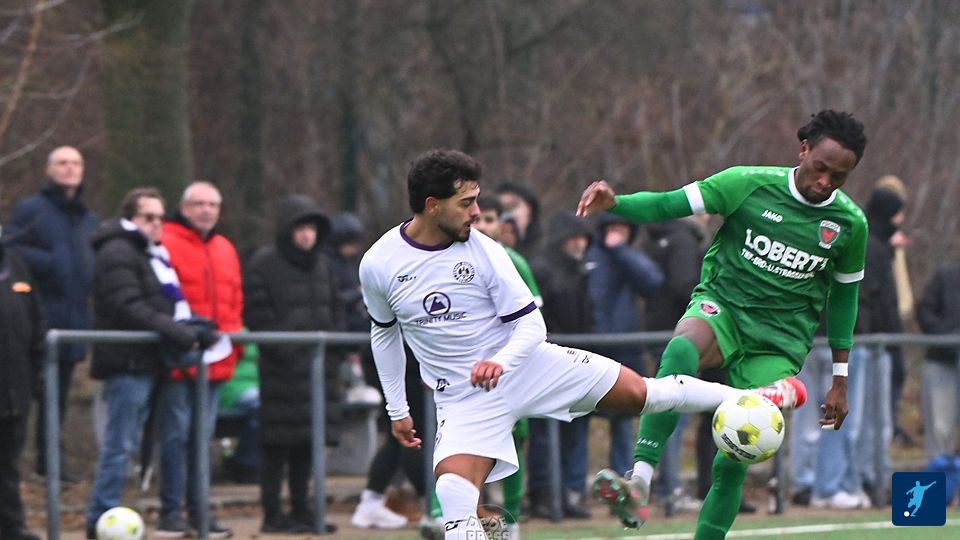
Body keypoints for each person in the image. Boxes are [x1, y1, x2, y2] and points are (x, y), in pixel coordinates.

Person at [358, 149, 804, 540]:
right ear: (432, 205)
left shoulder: (485, 251)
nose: (477, 213)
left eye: (477, 200)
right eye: (466, 203)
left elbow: (531, 327)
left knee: (643, 393)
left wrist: (500, 361)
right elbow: (384, 333)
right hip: (465, 397)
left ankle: (752, 398)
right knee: (454, 494)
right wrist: (398, 409)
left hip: (530, 366)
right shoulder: (379, 264)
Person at [576, 110, 866, 538]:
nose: (825, 182)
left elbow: (844, 300)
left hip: (777, 343)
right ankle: (640, 481)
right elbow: (668, 203)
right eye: (820, 168)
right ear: (803, 149)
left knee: (734, 456)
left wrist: (840, 378)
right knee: (680, 349)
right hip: (723, 309)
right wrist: (617, 204)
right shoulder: (746, 183)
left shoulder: (850, 224)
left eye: (838, 177)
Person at [83, 188, 218, 537]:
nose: (157, 224)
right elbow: (128, 305)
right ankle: (100, 517)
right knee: (120, 445)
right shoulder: (118, 252)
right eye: (148, 217)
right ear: (131, 219)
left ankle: (109, 515)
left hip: (149, 361)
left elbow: (158, 306)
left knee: (135, 444)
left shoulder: (150, 254)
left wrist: (194, 326)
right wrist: (178, 332)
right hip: (127, 362)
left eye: (160, 217)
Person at [243, 194, 343, 533]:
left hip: (319, 372)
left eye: (311, 228)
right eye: (300, 228)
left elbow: (336, 310)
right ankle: (272, 514)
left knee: (307, 446)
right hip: (282, 373)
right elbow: (258, 315)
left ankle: (303, 510)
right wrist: (289, 354)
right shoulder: (264, 264)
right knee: (276, 447)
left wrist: (331, 353)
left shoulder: (324, 266)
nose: (306, 234)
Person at [4, 145, 98, 482]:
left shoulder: (87, 218)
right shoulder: (32, 210)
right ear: (49, 169)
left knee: (58, 397)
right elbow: (11, 248)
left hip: (74, 318)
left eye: (76, 163)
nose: (69, 168)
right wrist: (52, 264)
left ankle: (52, 463)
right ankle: (18, 464)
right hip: (37, 318)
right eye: (62, 163)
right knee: (28, 393)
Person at [157, 181, 242, 538]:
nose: (206, 210)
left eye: (213, 204)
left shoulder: (225, 248)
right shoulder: (166, 241)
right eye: (199, 204)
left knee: (201, 440)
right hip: (181, 357)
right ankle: (170, 511)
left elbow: (235, 301)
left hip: (216, 361)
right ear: (184, 207)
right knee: (176, 437)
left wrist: (233, 347)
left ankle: (199, 512)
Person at [528, 211, 596, 519]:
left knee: (572, 432)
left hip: (578, 363)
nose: (579, 244)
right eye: (573, 238)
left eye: (583, 238)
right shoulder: (543, 270)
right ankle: (543, 495)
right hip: (547, 363)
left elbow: (587, 314)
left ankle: (567, 494)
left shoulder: (580, 270)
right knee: (544, 433)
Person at [586, 212, 663, 479]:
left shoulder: (629, 257)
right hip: (591, 349)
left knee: (623, 419)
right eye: (613, 227)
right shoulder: (590, 256)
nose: (617, 232)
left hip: (626, 350)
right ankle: (574, 487)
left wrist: (621, 251)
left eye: (623, 228)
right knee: (580, 417)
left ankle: (622, 478)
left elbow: (652, 281)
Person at [0, 231, 45, 540]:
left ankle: (12, 526)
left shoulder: (14, 264)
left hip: (14, 387)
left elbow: (36, 319)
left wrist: (36, 375)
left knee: (7, 463)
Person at [916, 260, 960, 460]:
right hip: (942, 362)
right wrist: (946, 338)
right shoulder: (946, 276)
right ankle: (940, 474)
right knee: (939, 427)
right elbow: (925, 310)